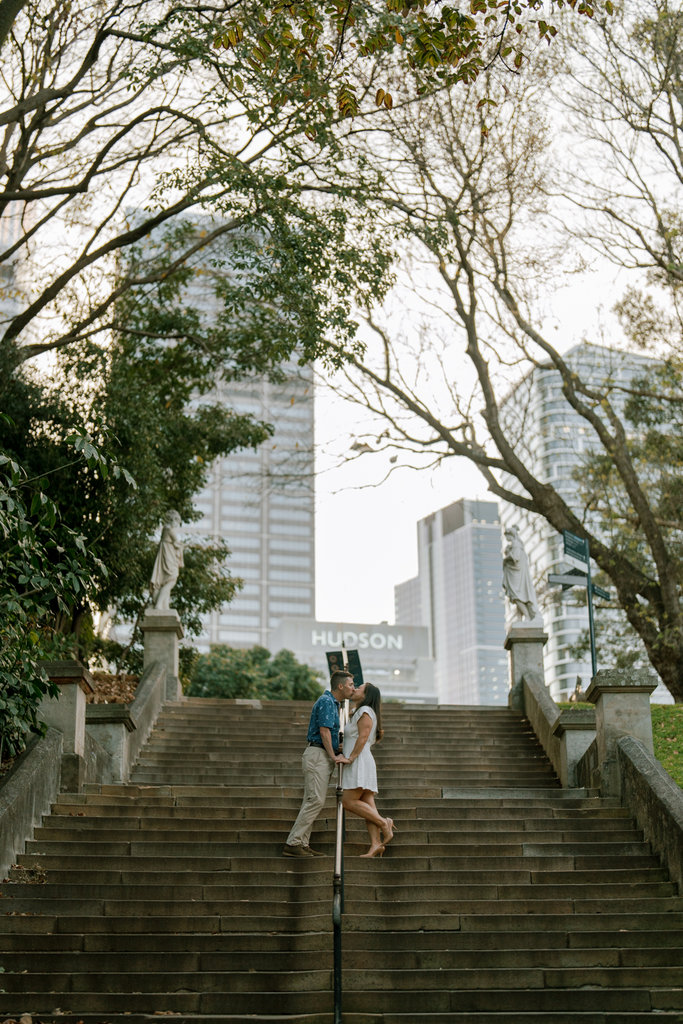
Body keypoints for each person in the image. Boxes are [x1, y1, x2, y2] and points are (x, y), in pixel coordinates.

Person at [282, 670, 356, 857]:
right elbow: (324, 732)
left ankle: (302, 843)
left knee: (312, 800)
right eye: (350, 685)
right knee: (315, 800)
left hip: (320, 754)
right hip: (318, 755)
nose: (352, 688)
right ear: (340, 686)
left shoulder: (333, 703)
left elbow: (328, 734)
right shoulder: (326, 702)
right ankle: (293, 843)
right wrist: (334, 756)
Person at [342, 682, 395, 859]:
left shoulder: (365, 711)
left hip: (359, 761)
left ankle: (383, 822)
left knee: (347, 801)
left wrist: (350, 757)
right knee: (368, 805)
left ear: (366, 695)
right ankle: (375, 845)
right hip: (361, 760)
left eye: (359, 688)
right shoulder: (360, 711)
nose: (355, 688)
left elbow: (363, 738)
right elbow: (357, 737)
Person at [502, 525, 539, 621]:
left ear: (511, 535)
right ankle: (519, 617)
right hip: (515, 573)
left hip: (517, 574)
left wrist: (506, 557)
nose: (506, 538)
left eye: (507, 536)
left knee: (517, 595)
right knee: (518, 595)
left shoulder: (516, 544)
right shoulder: (514, 544)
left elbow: (516, 557)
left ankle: (526, 615)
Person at [150, 510, 184, 610]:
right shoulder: (169, 529)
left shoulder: (165, 529)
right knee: (171, 580)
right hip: (168, 556)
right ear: (173, 520)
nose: (177, 524)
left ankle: (164, 605)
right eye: (177, 521)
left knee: (164, 582)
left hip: (166, 555)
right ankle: (159, 605)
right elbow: (177, 543)